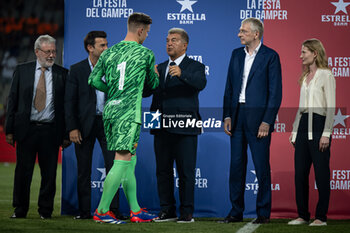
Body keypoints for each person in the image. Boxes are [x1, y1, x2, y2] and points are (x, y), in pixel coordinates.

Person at [88, 12, 159, 224]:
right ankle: (102, 211)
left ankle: (135, 210)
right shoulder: (146, 53)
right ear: (140, 30)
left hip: (110, 111)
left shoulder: (108, 53)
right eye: (146, 32)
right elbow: (153, 85)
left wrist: (112, 90)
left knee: (129, 161)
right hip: (128, 113)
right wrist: (153, 75)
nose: (146, 36)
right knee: (122, 161)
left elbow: (93, 79)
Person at [222, 18, 282, 224]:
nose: (239, 34)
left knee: (261, 167)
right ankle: (235, 211)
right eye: (240, 31)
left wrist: (267, 121)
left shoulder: (271, 56)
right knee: (236, 166)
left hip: (259, 121)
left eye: (243, 31)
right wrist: (227, 115)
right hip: (237, 117)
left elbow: (275, 93)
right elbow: (229, 87)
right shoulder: (236, 54)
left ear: (256, 34)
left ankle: (263, 213)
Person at [144, 28, 206, 223]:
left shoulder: (195, 66)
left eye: (174, 40)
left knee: (186, 172)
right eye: (167, 40)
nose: (169, 43)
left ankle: (187, 213)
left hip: (185, 126)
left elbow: (200, 83)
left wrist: (181, 74)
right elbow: (149, 94)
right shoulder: (160, 67)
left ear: (185, 45)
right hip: (161, 127)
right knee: (162, 171)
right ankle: (167, 211)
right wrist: (148, 76)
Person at [5, 35, 69, 219]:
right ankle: (20, 210)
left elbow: (65, 107)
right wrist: (9, 130)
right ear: (37, 51)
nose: (51, 55)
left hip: (50, 131)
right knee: (23, 173)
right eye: (48, 51)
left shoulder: (62, 74)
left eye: (54, 51)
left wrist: (65, 133)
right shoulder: (22, 70)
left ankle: (45, 211)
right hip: (26, 130)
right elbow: (13, 101)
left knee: (49, 174)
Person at [64, 31, 125, 220]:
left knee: (113, 169)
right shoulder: (77, 70)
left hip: (109, 125)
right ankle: (84, 212)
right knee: (83, 170)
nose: (107, 48)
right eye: (102, 45)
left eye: (107, 44)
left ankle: (112, 210)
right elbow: (69, 101)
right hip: (83, 126)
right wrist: (72, 128)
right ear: (90, 48)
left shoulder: (114, 68)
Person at [288, 39, 335, 227]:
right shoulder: (305, 76)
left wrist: (327, 133)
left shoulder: (326, 75)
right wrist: (294, 131)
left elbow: (330, 107)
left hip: (318, 124)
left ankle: (321, 217)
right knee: (300, 173)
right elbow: (301, 108)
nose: (301, 56)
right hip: (302, 126)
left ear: (315, 53)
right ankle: (302, 215)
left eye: (304, 52)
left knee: (321, 173)